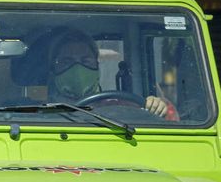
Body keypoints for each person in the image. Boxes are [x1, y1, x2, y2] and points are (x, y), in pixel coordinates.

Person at [44, 28, 173, 118]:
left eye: (86, 61)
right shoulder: (42, 111)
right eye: (67, 61)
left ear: (97, 67)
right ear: (53, 69)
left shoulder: (119, 106)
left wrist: (155, 105)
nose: (78, 68)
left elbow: (164, 118)